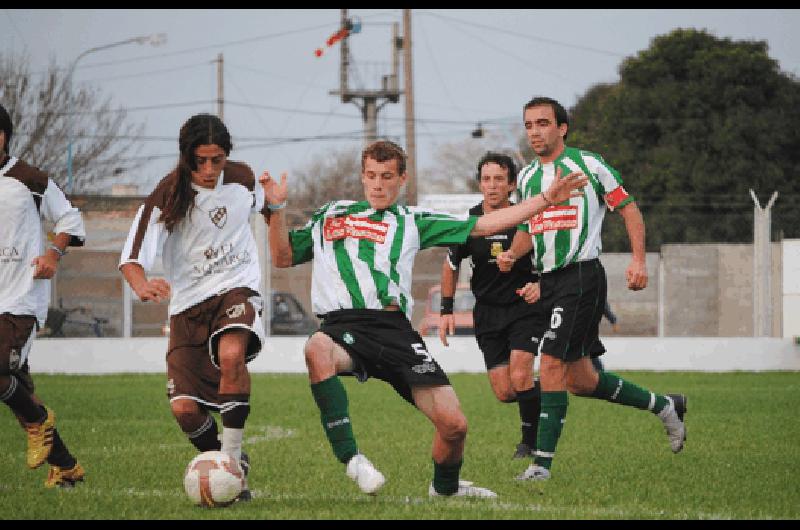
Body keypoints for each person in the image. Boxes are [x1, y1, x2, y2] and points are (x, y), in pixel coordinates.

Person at [259, 139, 587, 498]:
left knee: (454, 426)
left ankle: (445, 490)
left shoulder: (413, 220)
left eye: (387, 176)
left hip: (395, 332)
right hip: (343, 326)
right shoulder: (331, 215)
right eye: (371, 176)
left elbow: (481, 226)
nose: (378, 184)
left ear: (402, 180)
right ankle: (353, 459)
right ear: (362, 178)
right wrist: (276, 209)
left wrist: (542, 201)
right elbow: (282, 256)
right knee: (317, 349)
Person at [498, 96, 687, 481]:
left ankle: (541, 465)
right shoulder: (529, 178)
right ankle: (666, 406)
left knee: (549, 364)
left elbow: (629, 209)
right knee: (580, 380)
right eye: (529, 124)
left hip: (580, 276)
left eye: (543, 123)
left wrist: (638, 260)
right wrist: (511, 256)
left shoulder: (589, 164)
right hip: (548, 282)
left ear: (561, 128)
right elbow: (528, 228)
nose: (535, 131)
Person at [119, 113, 271, 501]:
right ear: (185, 157)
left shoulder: (243, 178)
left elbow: (268, 206)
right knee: (186, 410)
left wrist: (279, 205)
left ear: (226, 156)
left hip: (237, 289)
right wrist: (141, 284)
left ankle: (232, 461)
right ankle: (224, 465)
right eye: (199, 161)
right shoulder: (168, 194)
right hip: (188, 304)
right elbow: (132, 257)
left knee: (232, 353)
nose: (208, 169)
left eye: (216, 160)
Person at [0, 102, 87, 488]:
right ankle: (66, 467)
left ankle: (39, 423)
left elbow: (70, 218)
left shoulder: (29, 179)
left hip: (20, 300)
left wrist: (53, 252)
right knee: (18, 393)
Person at [436, 152, 543, 461]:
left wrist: (541, 285)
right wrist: (446, 310)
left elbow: (553, 258)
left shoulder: (526, 216)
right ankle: (545, 395)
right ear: (480, 184)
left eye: (499, 179)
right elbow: (450, 266)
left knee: (521, 375)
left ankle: (529, 445)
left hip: (524, 306)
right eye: (486, 179)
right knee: (505, 391)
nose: (492, 185)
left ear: (511, 185)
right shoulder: (469, 223)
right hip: (488, 312)